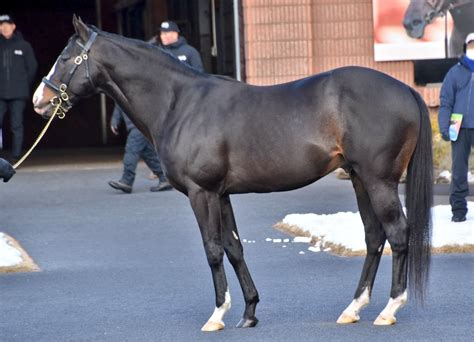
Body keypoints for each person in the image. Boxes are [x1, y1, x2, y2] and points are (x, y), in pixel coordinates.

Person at [438, 32, 474, 222]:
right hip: (458, 126)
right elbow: (445, 102)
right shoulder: (455, 72)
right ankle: (458, 211)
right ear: (466, 46)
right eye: (472, 44)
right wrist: (445, 126)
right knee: (459, 170)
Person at [108, 104, 172, 193]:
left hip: (139, 124)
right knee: (148, 153)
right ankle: (164, 178)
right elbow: (119, 103)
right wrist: (115, 120)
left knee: (131, 150)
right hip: (141, 125)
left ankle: (127, 180)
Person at [0, 14, 38, 163]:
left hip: (18, 92)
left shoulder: (24, 45)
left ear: (13, 26)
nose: (4, 27)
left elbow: (32, 67)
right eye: (1, 25)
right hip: (0, 93)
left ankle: (16, 157)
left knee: (16, 124)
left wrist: (23, 84)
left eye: (7, 24)